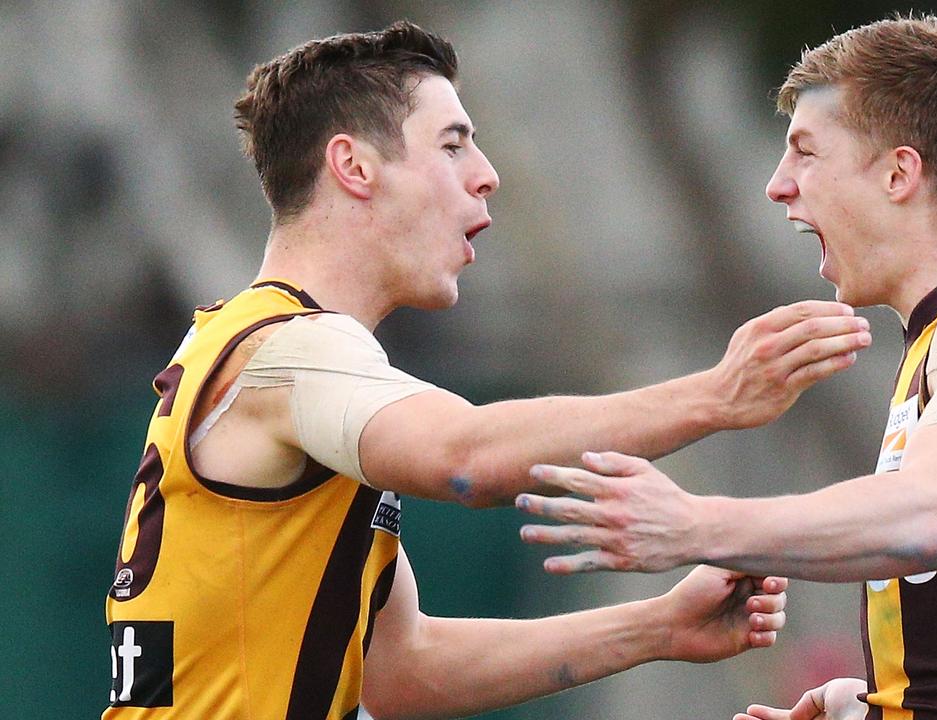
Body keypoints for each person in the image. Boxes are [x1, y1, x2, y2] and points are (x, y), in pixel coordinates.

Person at [101, 21, 874, 719]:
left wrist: (656, 626)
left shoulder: (266, 349)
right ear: (354, 166)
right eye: (451, 144)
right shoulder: (292, 348)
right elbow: (466, 458)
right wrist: (715, 395)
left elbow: (401, 672)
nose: (486, 173)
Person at [516, 15, 937, 720]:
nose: (778, 186)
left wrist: (694, 523)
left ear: (899, 173)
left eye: (805, 152)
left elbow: (931, 518)